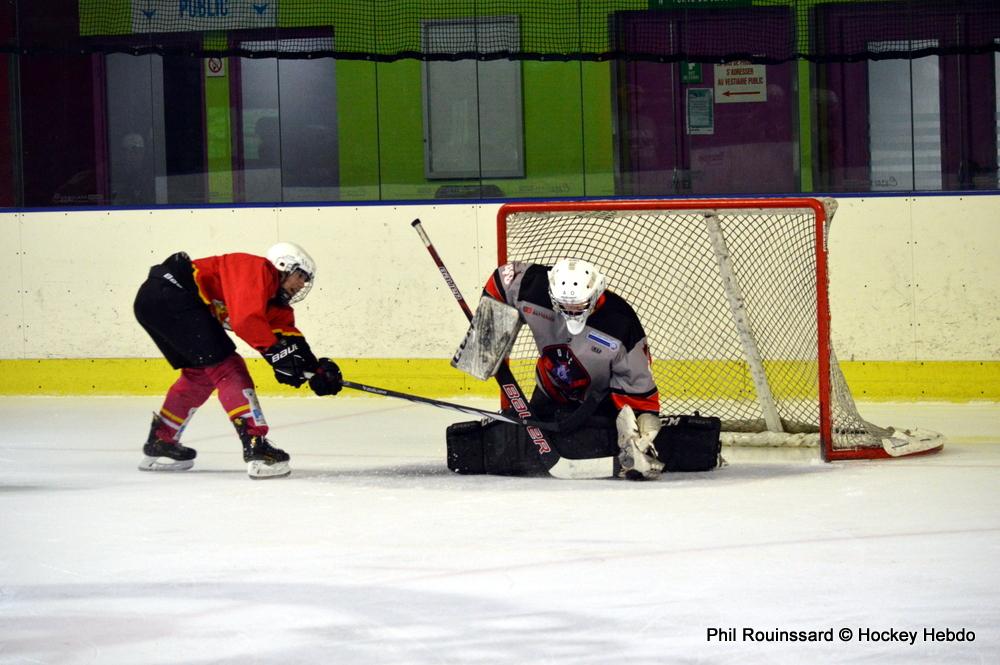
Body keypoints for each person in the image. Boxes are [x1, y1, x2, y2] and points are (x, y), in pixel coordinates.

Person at [133, 242, 343, 479]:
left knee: (200, 375)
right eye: (301, 275)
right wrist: (276, 355)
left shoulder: (274, 303)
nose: (302, 284)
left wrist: (315, 370)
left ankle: (161, 442)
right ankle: (257, 447)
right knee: (228, 369)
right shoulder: (258, 269)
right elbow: (246, 321)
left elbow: (286, 337)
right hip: (171, 294)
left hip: (155, 301)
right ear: (284, 265)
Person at [447, 258, 665, 480]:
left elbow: (639, 394)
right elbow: (504, 280)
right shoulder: (533, 287)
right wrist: (488, 333)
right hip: (548, 389)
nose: (571, 311)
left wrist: (640, 439)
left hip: (598, 403)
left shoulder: (621, 324)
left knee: (589, 441)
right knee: (528, 449)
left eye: (578, 305)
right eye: (564, 305)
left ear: (596, 292)